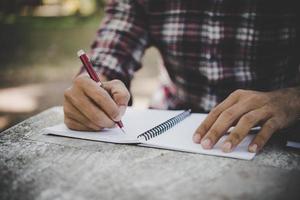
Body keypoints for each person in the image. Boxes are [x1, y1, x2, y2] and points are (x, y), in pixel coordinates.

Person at [63, 0, 300, 153]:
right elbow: (112, 51)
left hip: (274, 135)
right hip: (168, 123)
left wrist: (293, 99)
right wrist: (93, 90)